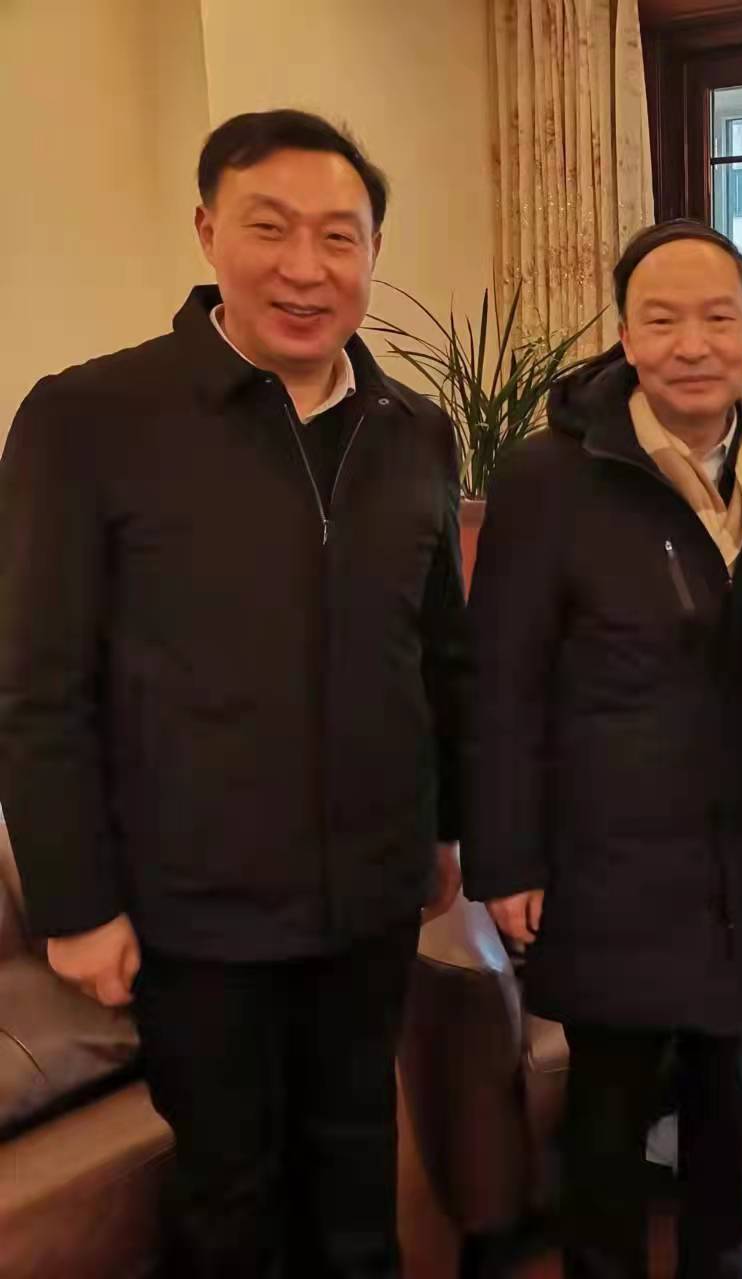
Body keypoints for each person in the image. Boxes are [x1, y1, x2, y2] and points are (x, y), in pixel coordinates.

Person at [0, 110, 466, 1276]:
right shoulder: (90, 418)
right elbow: (36, 682)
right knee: (230, 1199)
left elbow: (439, 658)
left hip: (368, 898)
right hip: (193, 912)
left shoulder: (415, 431)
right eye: (270, 227)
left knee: (357, 1171)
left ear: (371, 254)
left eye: (338, 237)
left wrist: (444, 831)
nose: (304, 267)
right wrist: (74, 904)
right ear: (209, 231)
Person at [461, 219, 742, 1279]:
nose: (692, 344)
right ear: (626, 337)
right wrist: (506, 859)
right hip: (609, 853)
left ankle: (719, 1262)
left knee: (730, 1087)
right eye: (662, 319)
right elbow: (499, 680)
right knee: (609, 1099)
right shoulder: (548, 475)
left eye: (717, 317)